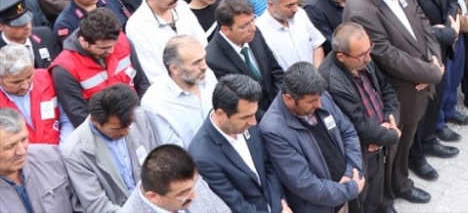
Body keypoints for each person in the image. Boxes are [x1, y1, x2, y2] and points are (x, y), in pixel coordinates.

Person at [342, 0, 444, 206]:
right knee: (391, 150)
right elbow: (388, 56)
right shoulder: (361, 9)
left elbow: (422, 20)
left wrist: (434, 59)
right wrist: (430, 72)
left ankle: (400, 182)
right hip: (396, 93)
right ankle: (386, 198)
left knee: (407, 140)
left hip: (418, 81)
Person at [259, 62, 366, 213]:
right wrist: (348, 189)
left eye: (319, 97)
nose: (319, 104)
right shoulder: (273, 130)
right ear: (289, 99)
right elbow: (304, 183)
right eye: (311, 101)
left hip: (347, 190)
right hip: (321, 206)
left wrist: (351, 173)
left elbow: (348, 132)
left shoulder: (317, 95)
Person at [322, 22, 402, 213]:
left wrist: (389, 121)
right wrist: (391, 135)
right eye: (362, 55)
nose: (368, 58)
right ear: (341, 56)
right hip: (360, 149)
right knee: (362, 199)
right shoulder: (332, 80)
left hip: (378, 138)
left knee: (376, 189)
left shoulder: (362, 56)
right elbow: (358, 124)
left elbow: (387, 89)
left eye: (369, 49)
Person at [404, 0, 460, 183]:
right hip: (421, 52)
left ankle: (428, 140)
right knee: (420, 108)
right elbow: (413, 22)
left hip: (441, 45)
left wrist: (450, 23)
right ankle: (415, 156)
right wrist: (445, 33)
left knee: (435, 100)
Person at [187, 74, 286, 212]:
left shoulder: (247, 120)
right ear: (221, 114)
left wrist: (281, 206)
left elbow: (268, 166)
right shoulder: (202, 157)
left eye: (254, 114)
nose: (254, 122)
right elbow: (236, 204)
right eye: (246, 117)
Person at [62, 83, 157, 212]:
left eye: (128, 125)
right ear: (95, 121)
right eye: (117, 129)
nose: (126, 132)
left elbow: (156, 166)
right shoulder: (76, 152)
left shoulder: (138, 117)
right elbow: (97, 206)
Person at [50, 8, 150, 127]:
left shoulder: (121, 40)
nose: (111, 50)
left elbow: (142, 83)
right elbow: (80, 116)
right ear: (84, 41)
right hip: (104, 130)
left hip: (137, 118)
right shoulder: (64, 69)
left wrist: (141, 118)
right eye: (104, 48)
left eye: (114, 45)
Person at [205, 0, 284, 118]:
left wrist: (282, 107)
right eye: (244, 26)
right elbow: (238, 104)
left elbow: (276, 72)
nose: (253, 28)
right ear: (225, 29)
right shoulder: (213, 60)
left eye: (253, 20)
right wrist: (272, 119)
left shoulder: (254, 34)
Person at [140, 35, 217, 148]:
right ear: (175, 69)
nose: (204, 66)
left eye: (203, 58)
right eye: (196, 63)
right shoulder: (155, 103)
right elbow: (174, 152)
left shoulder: (207, 75)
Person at [0, 107, 81, 213]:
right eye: (10, 146)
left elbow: (82, 205)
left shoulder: (53, 158)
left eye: (24, 139)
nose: (22, 151)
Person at [120, 143, 231, 213]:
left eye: (194, 184)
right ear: (153, 196)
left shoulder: (189, 182)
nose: (195, 195)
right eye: (183, 193)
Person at [0, 44, 73, 145]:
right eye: (16, 82)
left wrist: (64, 149)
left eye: (29, 76)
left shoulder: (48, 79)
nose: (25, 86)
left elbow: (66, 119)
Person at [257, 0, 326, 70]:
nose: (295, 9)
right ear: (271, 5)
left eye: (297, 3)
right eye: (289, 6)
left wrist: (316, 73)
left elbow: (317, 45)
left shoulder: (300, 14)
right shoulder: (260, 31)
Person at [0, 0, 60, 69]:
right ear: (1, 26)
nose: (27, 27)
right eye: (19, 24)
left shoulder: (45, 35)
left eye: (27, 20)